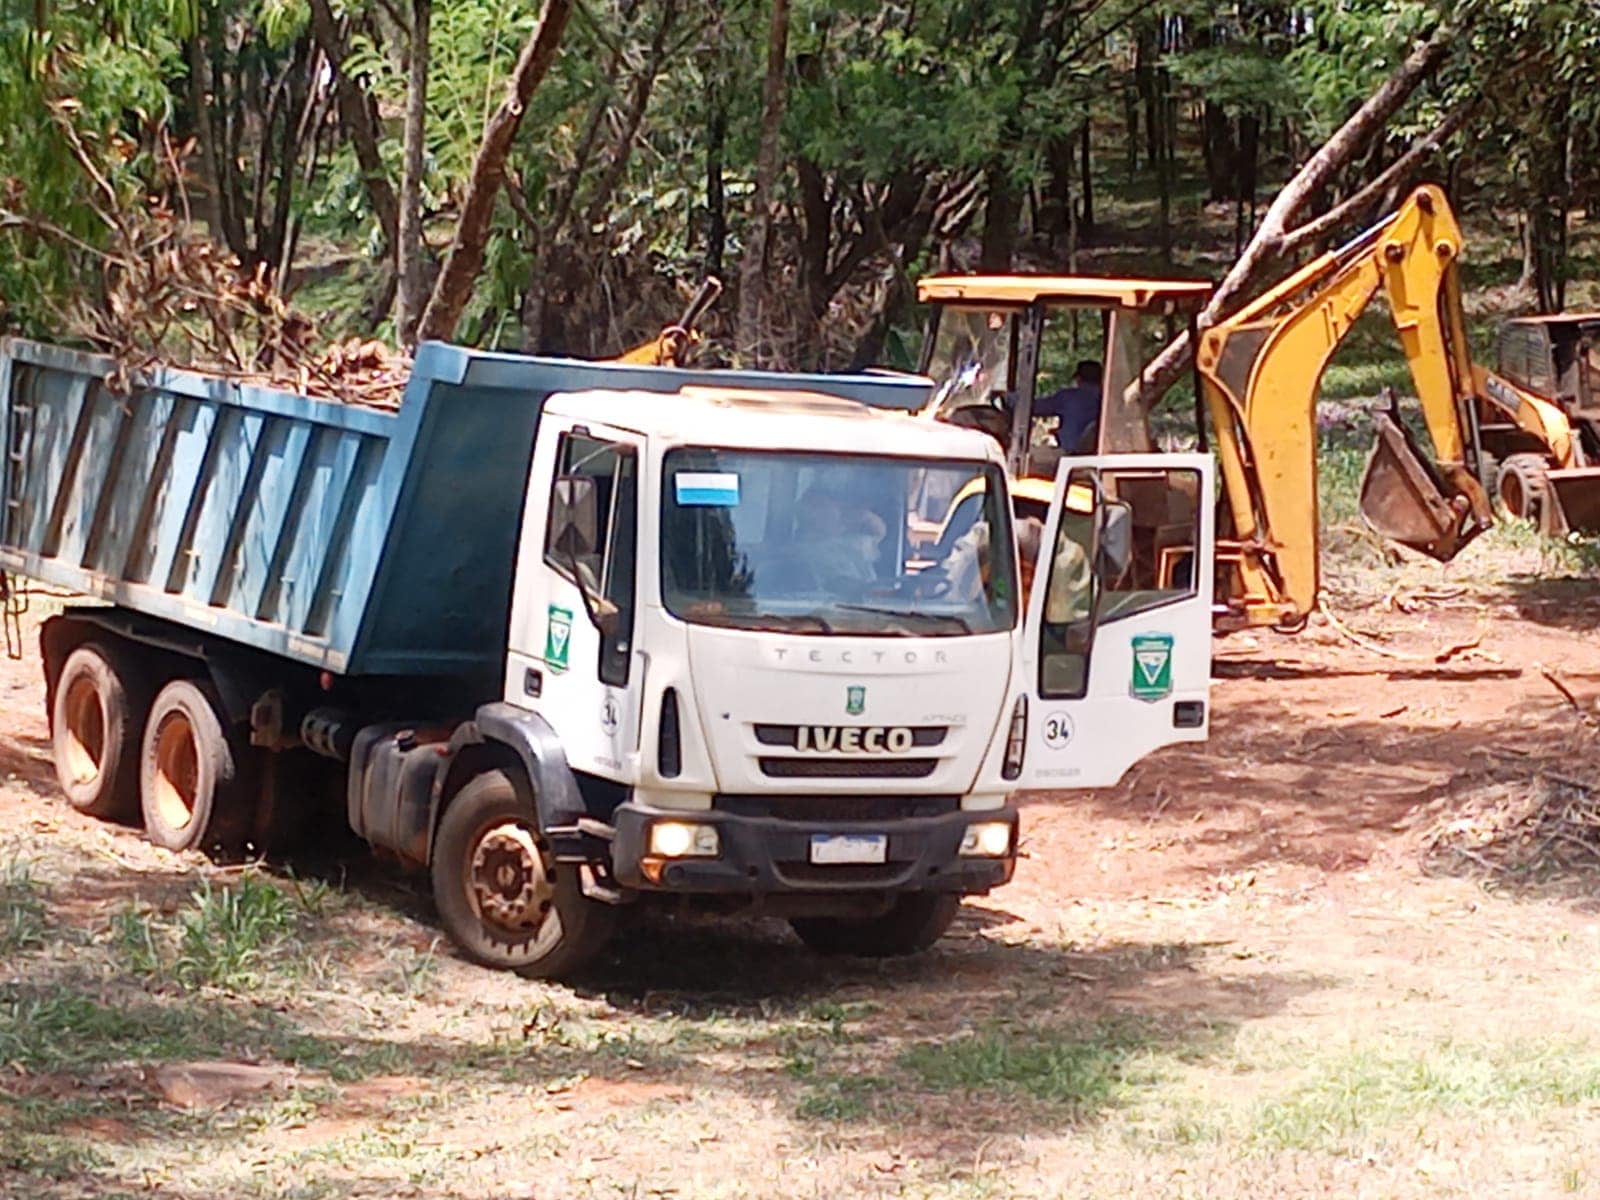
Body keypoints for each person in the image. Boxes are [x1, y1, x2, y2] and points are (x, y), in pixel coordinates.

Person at [1035, 360, 1103, 452]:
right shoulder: (1107, 400)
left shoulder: (1067, 397)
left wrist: (1012, 400)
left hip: (1071, 455)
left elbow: (1037, 407)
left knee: (1035, 454)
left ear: (1079, 378)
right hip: (1097, 455)